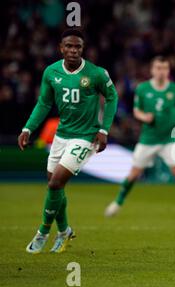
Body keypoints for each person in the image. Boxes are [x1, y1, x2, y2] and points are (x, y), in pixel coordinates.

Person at [18, 29, 118, 254]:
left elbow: (112, 97)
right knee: (54, 184)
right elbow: (44, 103)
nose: (73, 51)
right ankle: (64, 231)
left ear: (83, 49)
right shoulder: (51, 72)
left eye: (78, 47)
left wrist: (104, 129)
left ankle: (43, 232)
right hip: (61, 135)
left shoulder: (96, 73)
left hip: (85, 136)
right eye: (69, 46)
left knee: (55, 184)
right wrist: (28, 128)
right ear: (61, 48)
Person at [105, 56, 175, 218]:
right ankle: (117, 202)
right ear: (152, 70)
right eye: (158, 68)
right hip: (148, 139)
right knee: (134, 174)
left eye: (164, 68)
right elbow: (137, 111)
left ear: (168, 71)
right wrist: (144, 117)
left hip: (168, 139)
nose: (161, 71)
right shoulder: (143, 89)